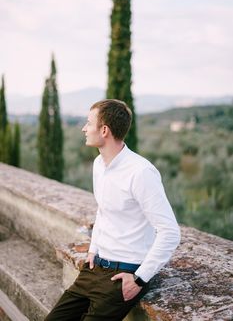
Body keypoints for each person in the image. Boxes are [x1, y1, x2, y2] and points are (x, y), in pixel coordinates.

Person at [45, 99, 180, 321]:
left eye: (89, 123)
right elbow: (103, 211)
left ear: (104, 130)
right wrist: (93, 247)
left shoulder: (141, 172)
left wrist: (139, 279)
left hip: (124, 274)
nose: (84, 129)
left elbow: (170, 232)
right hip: (94, 267)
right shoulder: (99, 164)